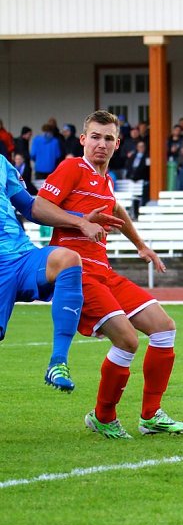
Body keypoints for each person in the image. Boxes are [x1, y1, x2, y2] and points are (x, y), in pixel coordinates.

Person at [39, 110, 183, 439]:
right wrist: (81, 222)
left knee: (164, 328)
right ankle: (103, 416)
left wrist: (142, 245)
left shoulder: (106, 181)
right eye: (95, 137)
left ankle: (151, 416)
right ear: (83, 139)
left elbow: (116, 210)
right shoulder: (72, 168)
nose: (101, 144)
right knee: (127, 340)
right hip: (77, 273)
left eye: (108, 138)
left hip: (104, 272)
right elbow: (39, 207)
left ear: (117, 144)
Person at [2, 152, 120, 393]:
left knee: (68, 258)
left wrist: (81, 219)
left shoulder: (2, 164)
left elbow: (31, 208)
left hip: (21, 256)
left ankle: (58, 362)